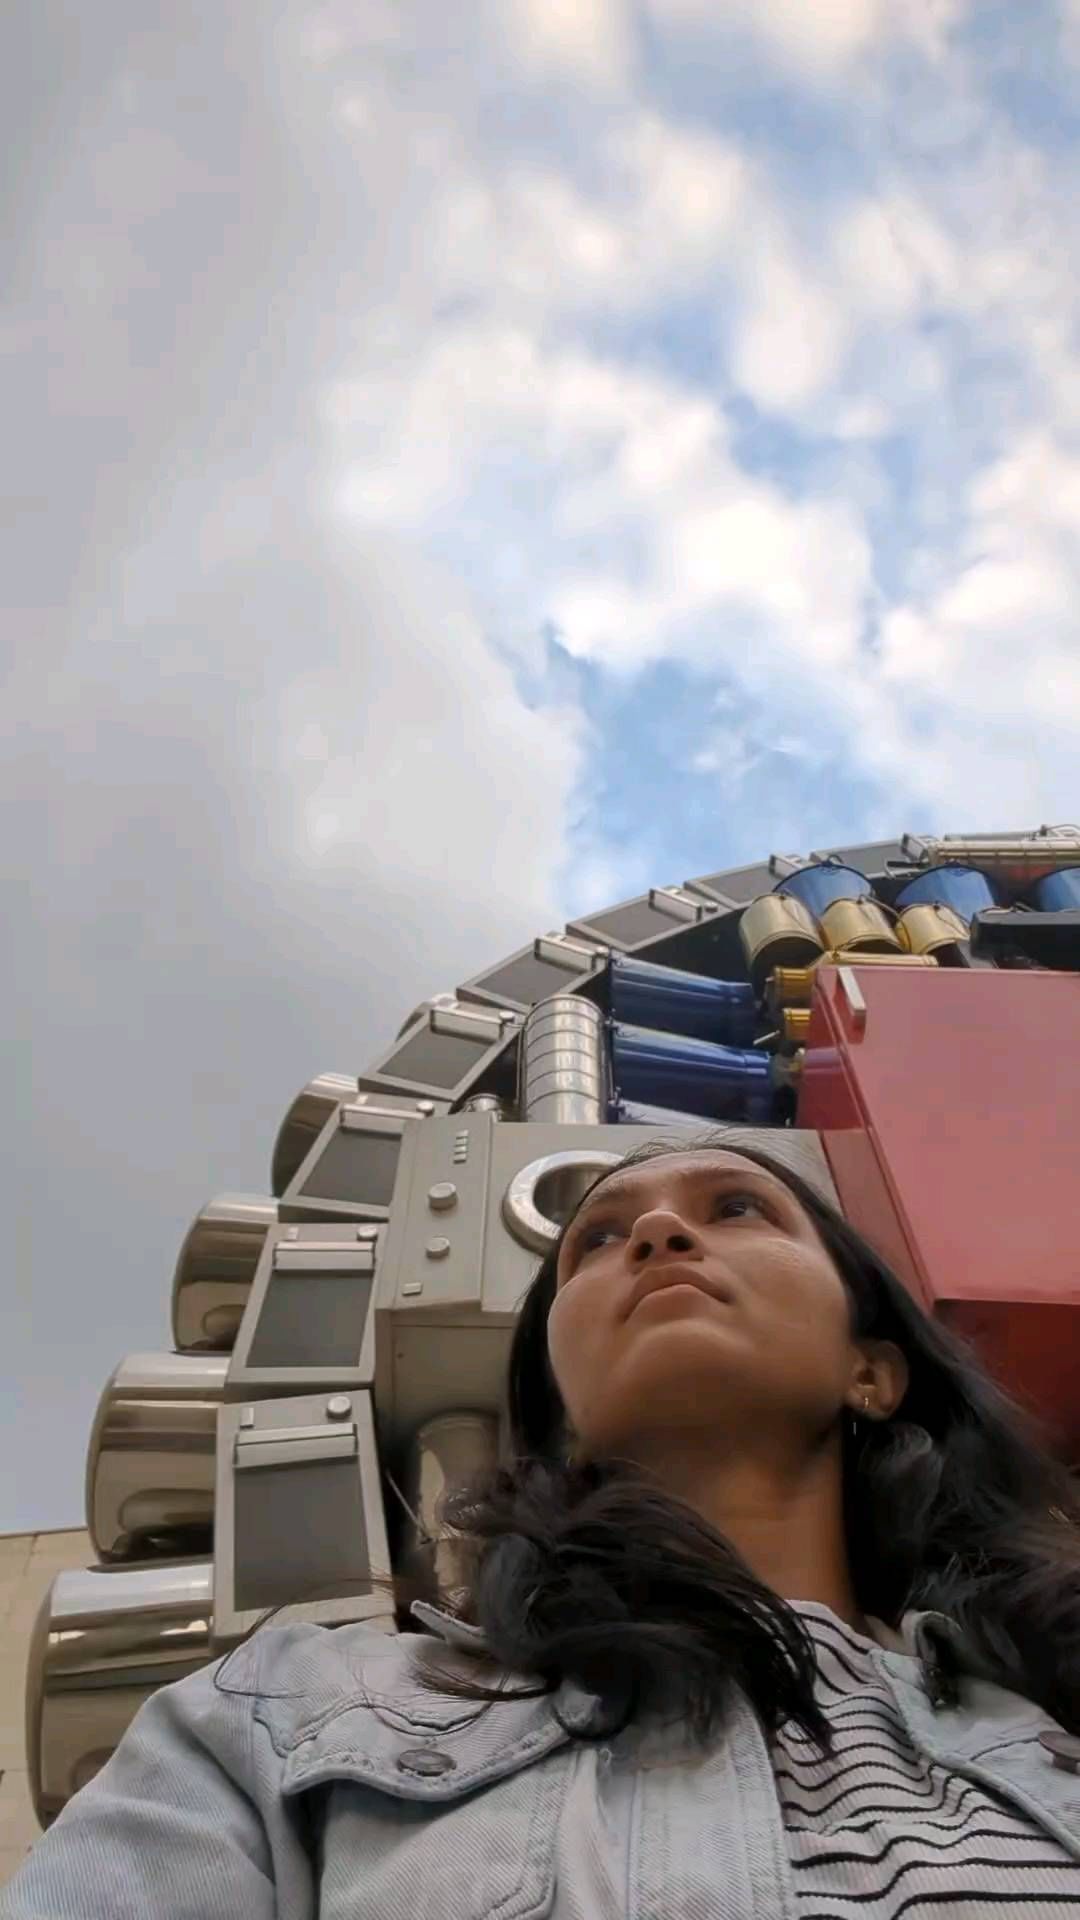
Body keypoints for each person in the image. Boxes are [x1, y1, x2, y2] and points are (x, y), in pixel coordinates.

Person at [6, 1126, 1080, 1920]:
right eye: (597, 1239)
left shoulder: (1052, 1713)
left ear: (872, 1371)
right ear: (562, 1417)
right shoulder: (280, 1716)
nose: (657, 1233)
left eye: (738, 1209)